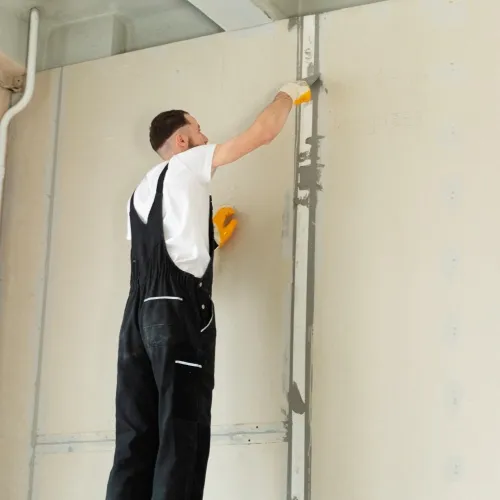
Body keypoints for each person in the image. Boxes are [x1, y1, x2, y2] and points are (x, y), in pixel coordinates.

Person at [105, 78, 314, 500]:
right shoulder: (188, 163)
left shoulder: (141, 191)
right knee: (181, 431)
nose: (206, 137)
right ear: (182, 141)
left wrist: (211, 239)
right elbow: (262, 134)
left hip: (137, 317)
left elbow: (165, 250)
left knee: (136, 438)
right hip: (176, 312)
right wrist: (287, 95)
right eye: (199, 130)